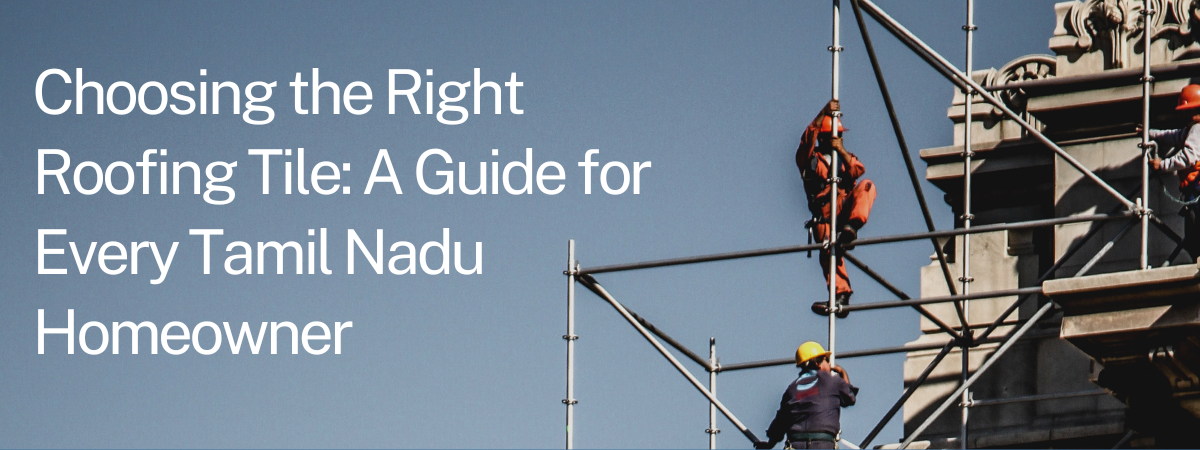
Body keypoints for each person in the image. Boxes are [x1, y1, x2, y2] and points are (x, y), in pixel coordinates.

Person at [797, 100, 876, 317]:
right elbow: (806, 139)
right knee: (829, 250)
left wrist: (841, 150)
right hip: (824, 215)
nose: (838, 138)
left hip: (844, 209)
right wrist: (823, 112)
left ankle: (851, 228)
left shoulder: (844, 158)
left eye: (840, 136)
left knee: (867, 186)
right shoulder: (810, 160)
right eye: (835, 135)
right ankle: (841, 295)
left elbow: (858, 170)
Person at [756, 341, 857, 450]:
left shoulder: (792, 389)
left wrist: (770, 444)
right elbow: (849, 398)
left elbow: (781, 421)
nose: (829, 364)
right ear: (817, 363)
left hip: (796, 445)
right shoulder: (832, 382)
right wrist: (842, 372)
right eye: (826, 360)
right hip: (822, 444)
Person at [1148, 84, 1200, 261]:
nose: (1183, 115)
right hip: (1194, 190)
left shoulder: (1198, 129)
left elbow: (1188, 157)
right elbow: (1174, 135)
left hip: (1197, 189)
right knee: (1192, 235)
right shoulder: (1192, 129)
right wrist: (1150, 133)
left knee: (1194, 234)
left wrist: (1162, 165)